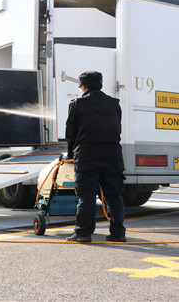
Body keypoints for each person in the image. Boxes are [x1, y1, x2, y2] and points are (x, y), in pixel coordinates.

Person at [65, 71, 126, 243]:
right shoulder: (114, 104)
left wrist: (71, 155)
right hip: (113, 155)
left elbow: (71, 133)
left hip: (87, 155)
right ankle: (118, 233)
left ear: (83, 87)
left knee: (87, 195)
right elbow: (117, 129)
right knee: (114, 195)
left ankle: (83, 233)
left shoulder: (77, 104)